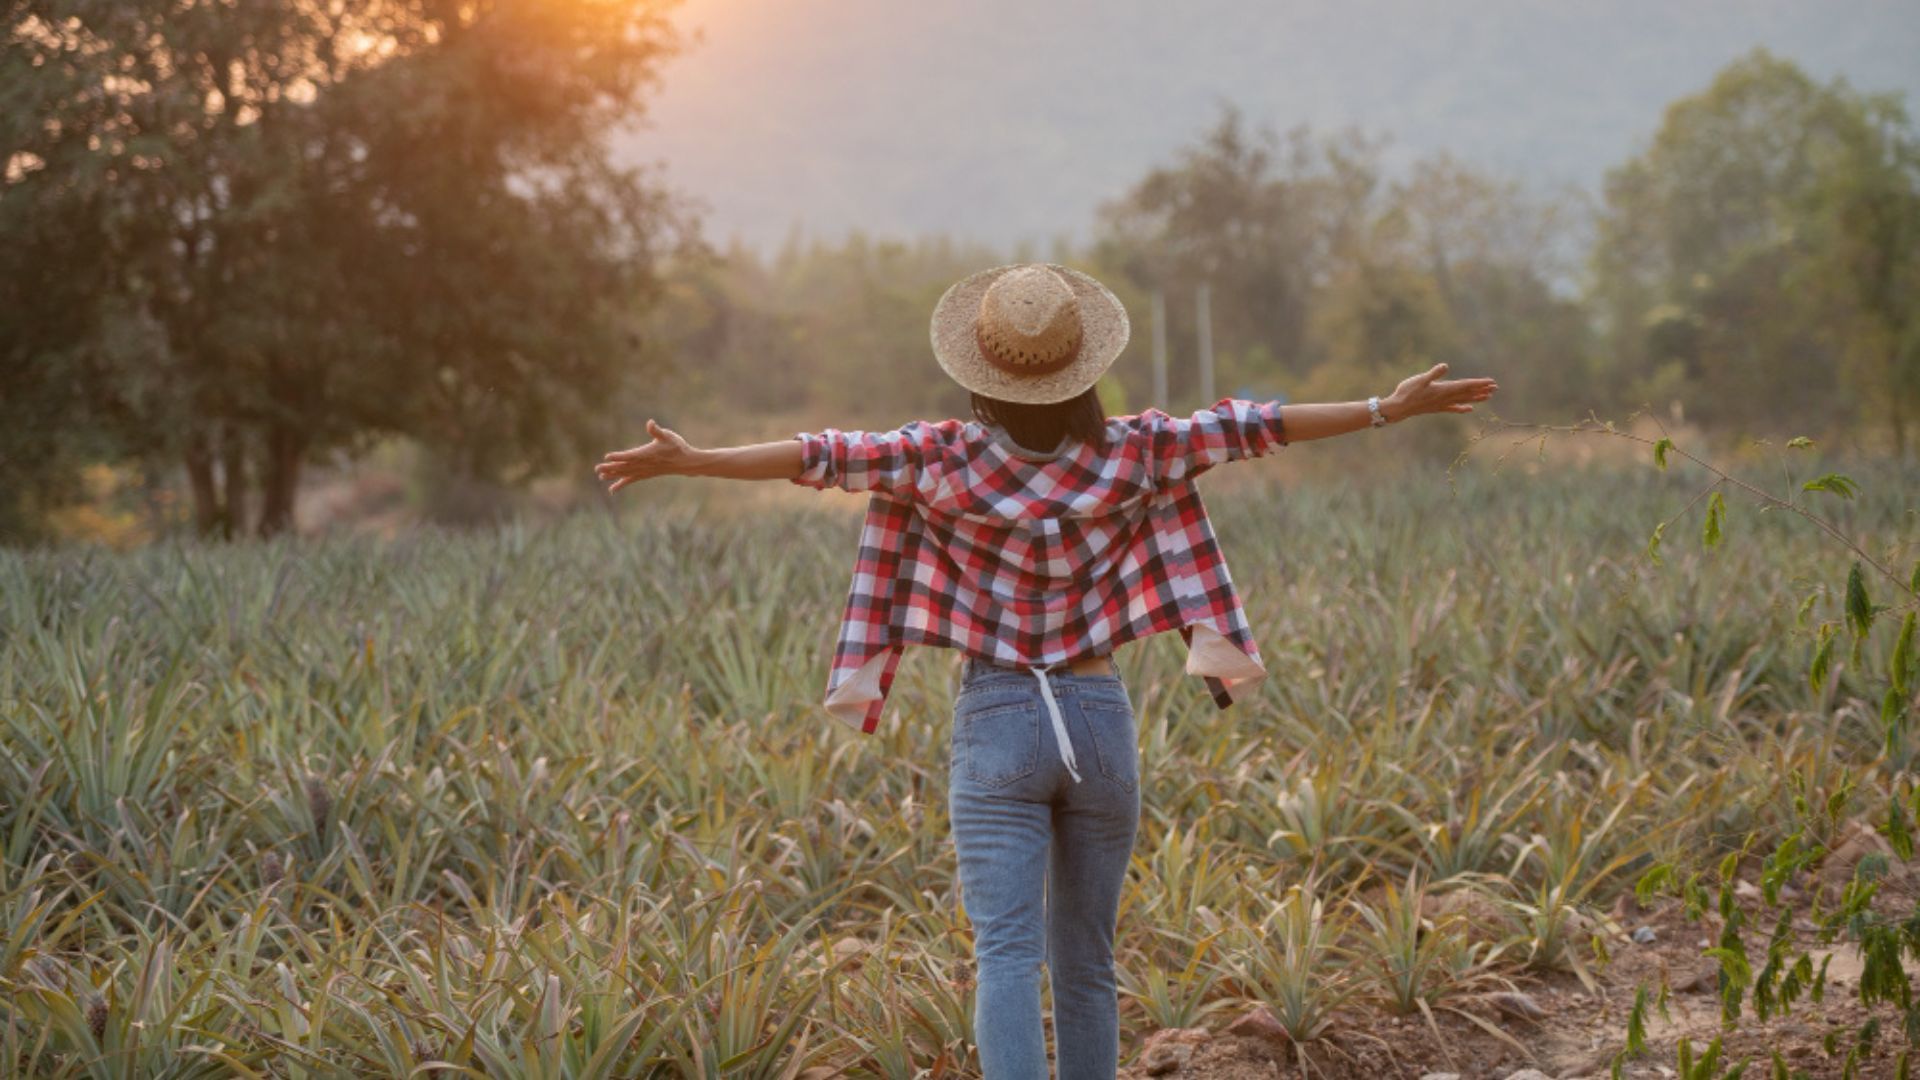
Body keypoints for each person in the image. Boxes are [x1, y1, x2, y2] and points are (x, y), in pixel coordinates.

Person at [597, 263, 1497, 1078]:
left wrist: (697, 460)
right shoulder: (1136, 450)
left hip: (996, 718)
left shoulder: (939, 456)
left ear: (982, 374)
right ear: (1084, 368)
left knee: (1006, 956)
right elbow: (1256, 427)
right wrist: (1387, 407)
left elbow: (818, 455)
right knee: (1088, 963)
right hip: (1098, 714)